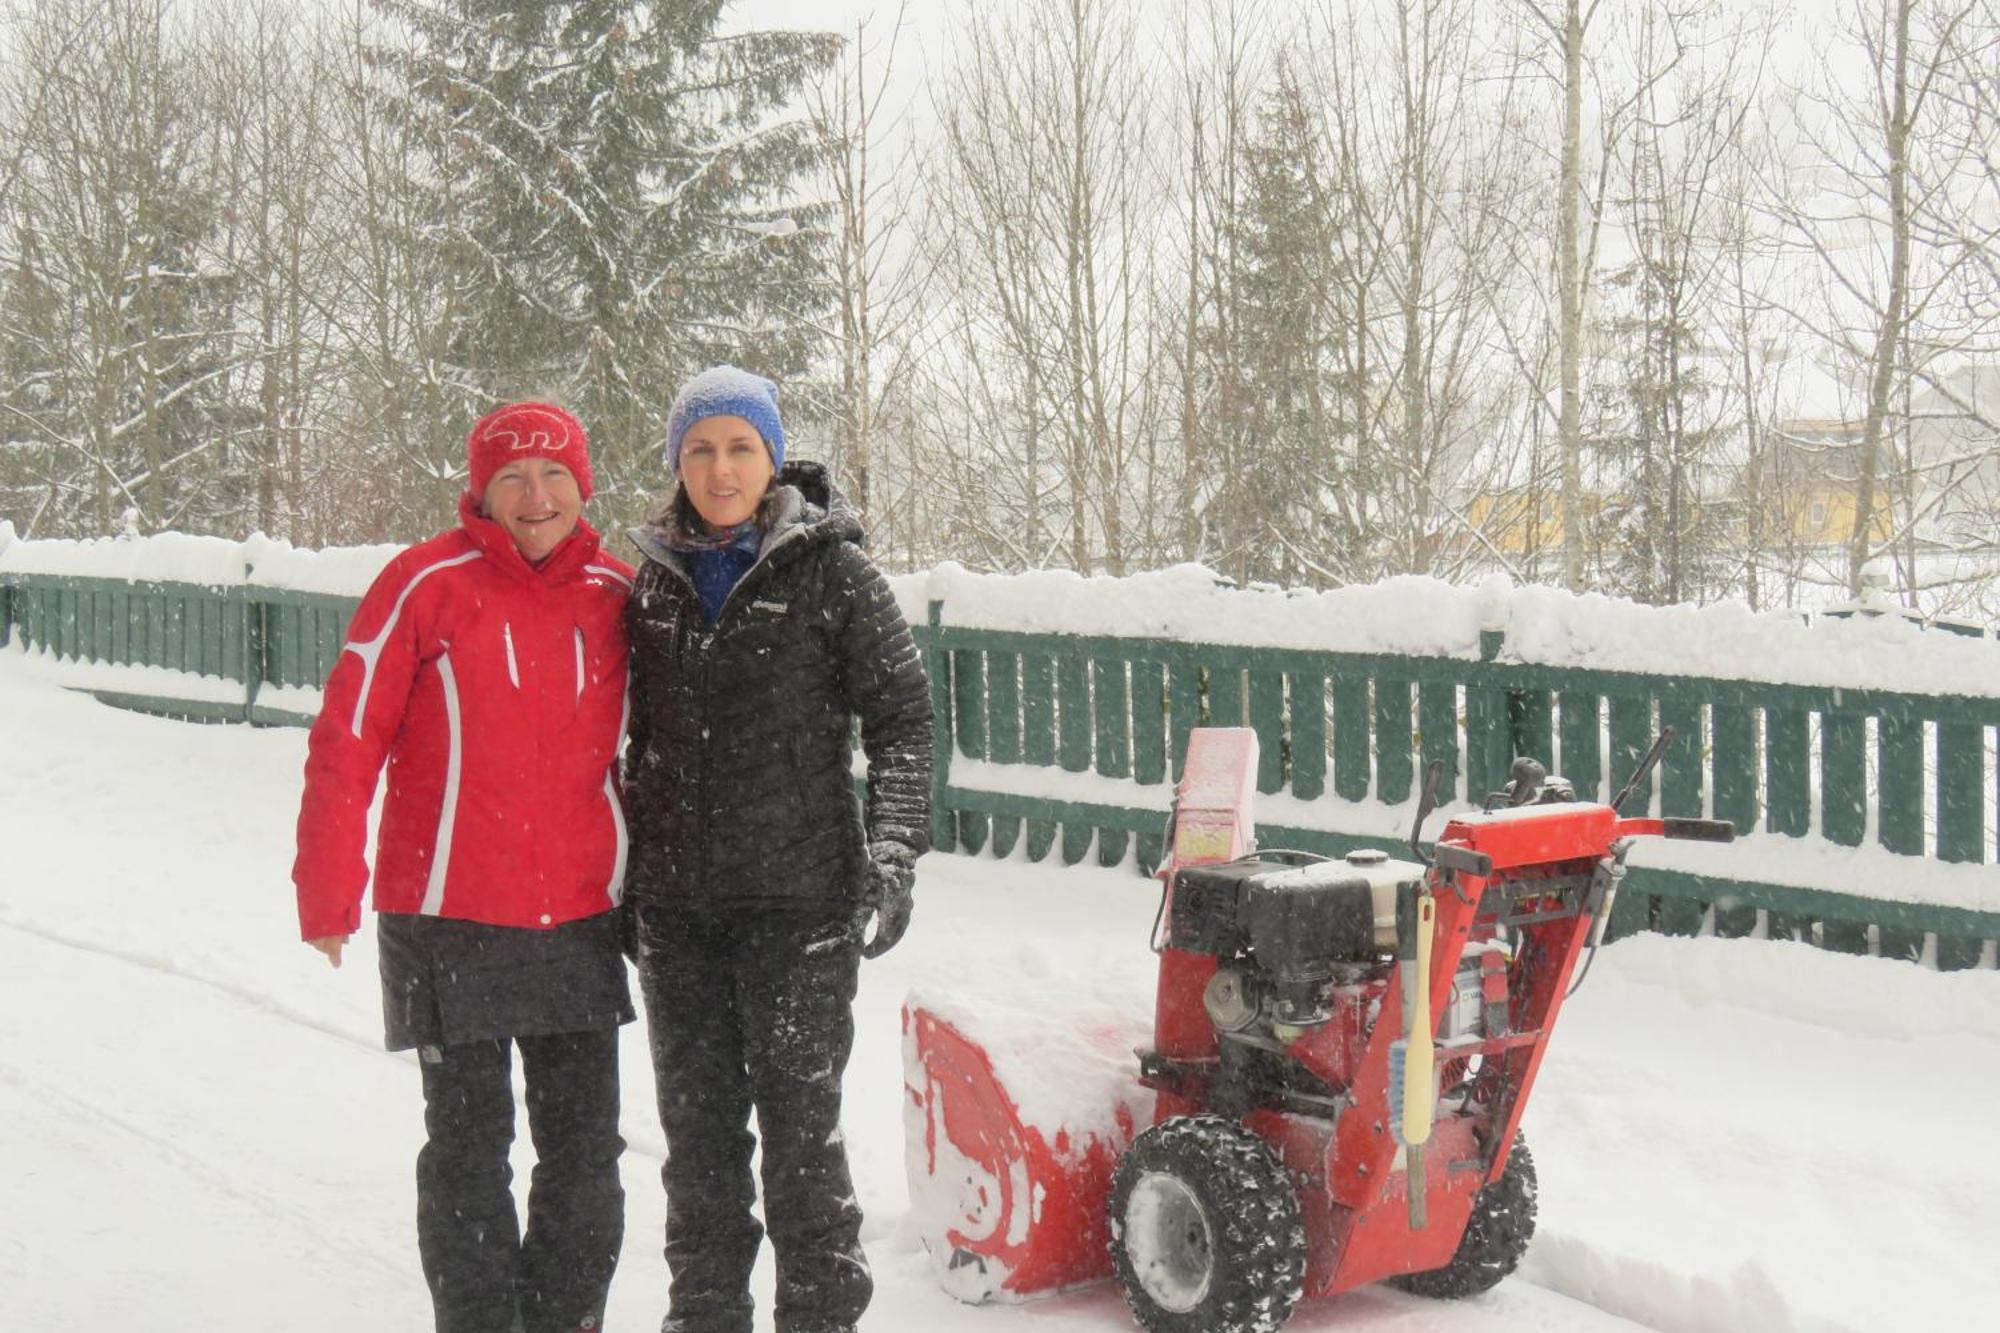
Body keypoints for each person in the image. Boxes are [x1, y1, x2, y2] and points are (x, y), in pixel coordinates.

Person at [293, 401, 636, 1333]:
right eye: (513, 478)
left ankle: (567, 1320)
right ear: (480, 490)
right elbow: (348, 736)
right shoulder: (423, 584)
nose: (536, 496)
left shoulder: (618, 591)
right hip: (446, 915)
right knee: (468, 1149)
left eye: (556, 474)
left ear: (584, 484)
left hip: (575, 920)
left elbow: (663, 754)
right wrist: (329, 886)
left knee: (583, 1152)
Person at [622, 366, 933, 1333]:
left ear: (774, 457)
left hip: (800, 913)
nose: (722, 468)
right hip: (676, 919)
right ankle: (704, 1317)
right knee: (701, 1150)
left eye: (741, 447)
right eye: (702, 448)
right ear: (678, 459)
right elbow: (617, 734)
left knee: (802, 1147)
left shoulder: (834, 572)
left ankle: (821, 1319)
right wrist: (624, 879)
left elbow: (905, 723)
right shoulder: (652, 582)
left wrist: (890, 854)